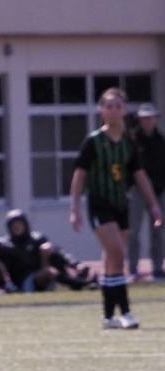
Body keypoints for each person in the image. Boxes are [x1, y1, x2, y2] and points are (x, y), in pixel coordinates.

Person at [69, 88, 162, 330]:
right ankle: (127, 312)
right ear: (101, 110)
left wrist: (154, 205)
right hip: (100, 205)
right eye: (108, 105)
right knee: (118, 254)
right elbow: (79, 176)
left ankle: (108, 316)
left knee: (112, 260)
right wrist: (74, 208)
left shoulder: (129, 143)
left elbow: (140, 176)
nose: (113, 110)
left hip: (122, 205)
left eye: (117, 105)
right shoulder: (93, 141)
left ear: (125, 110)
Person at [128, 102, 165, 279]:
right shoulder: (133, 140)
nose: (147, 122)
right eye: (144, 119)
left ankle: (157, 268)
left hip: (159, 191)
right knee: (133, 232)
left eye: (150, 118)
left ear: (155, 119)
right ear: (139, 121)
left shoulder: (161, 141)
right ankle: (133, 269)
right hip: (138, 191)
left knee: (157, 232)